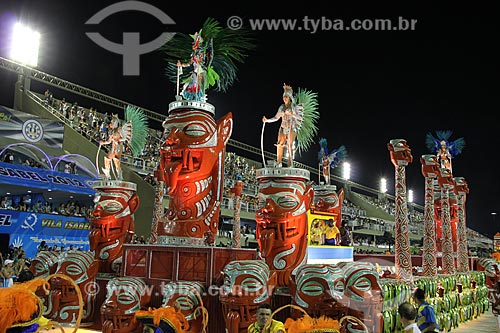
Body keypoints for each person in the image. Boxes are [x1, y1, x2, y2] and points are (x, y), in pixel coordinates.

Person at [262, 84, 303, 167]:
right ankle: (279, 162)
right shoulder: (281, 107)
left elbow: (298, 116)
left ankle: (290, 164)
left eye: (286, 97)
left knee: (289, 145)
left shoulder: (293, 106)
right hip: (283, 126)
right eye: (284, 97)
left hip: (291, 126)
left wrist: (292, 114)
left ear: (289, 98)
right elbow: (276, 118)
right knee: (280, 143)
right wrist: (267, 120)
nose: (285, 99)